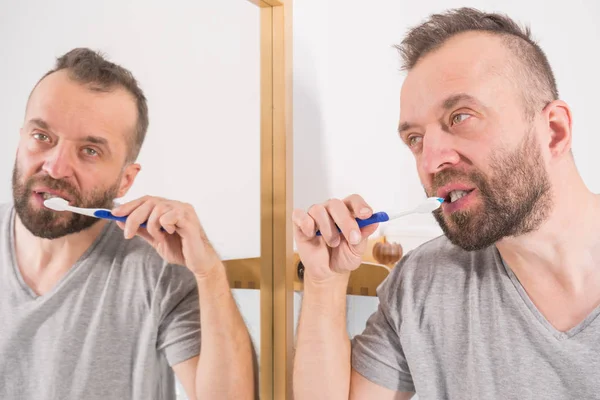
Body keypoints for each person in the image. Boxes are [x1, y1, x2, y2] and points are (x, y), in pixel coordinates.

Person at [293, 7, 600, 400]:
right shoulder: (422, 282)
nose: (430, 161)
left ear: (554, 132)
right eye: (415, 138)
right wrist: (325, 281)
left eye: (461, 117)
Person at [0, 48, 254, 399]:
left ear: (126, 181)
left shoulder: (159, 268)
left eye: (90, 150)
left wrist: (208, 272)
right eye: (42, 136)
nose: (55, 167)